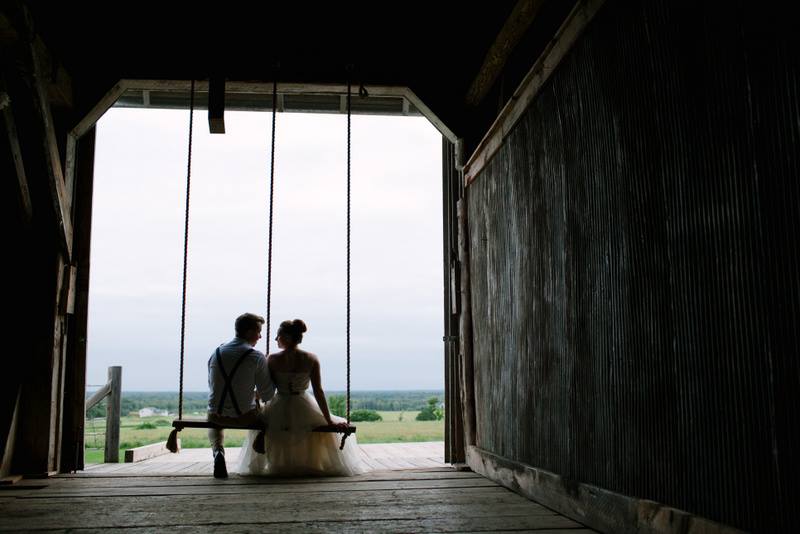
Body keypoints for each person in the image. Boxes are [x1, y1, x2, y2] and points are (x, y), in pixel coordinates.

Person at [237, 319, 370, 476]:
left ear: (285, 337)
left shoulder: (272, 359)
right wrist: (328, 420)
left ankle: (282, 465)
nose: (275, 339)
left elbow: (266, 388)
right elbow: (318, 391)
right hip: (304, 403)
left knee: (270, 426)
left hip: (279, 403)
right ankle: (307, 464)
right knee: (313, 428)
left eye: (277, 336)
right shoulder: (311, 359)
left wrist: (254, 399)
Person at [207, 313, 274, 478]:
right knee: (266, 415)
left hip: (216, 416)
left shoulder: (216, 352)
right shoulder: (255, 356)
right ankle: (261, 446)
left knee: (213, 417)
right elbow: (268, 394)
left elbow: (213, 384)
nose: (260, 336)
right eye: (258, 332)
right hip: (245, 416)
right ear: (250, 332)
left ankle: (218, 451)